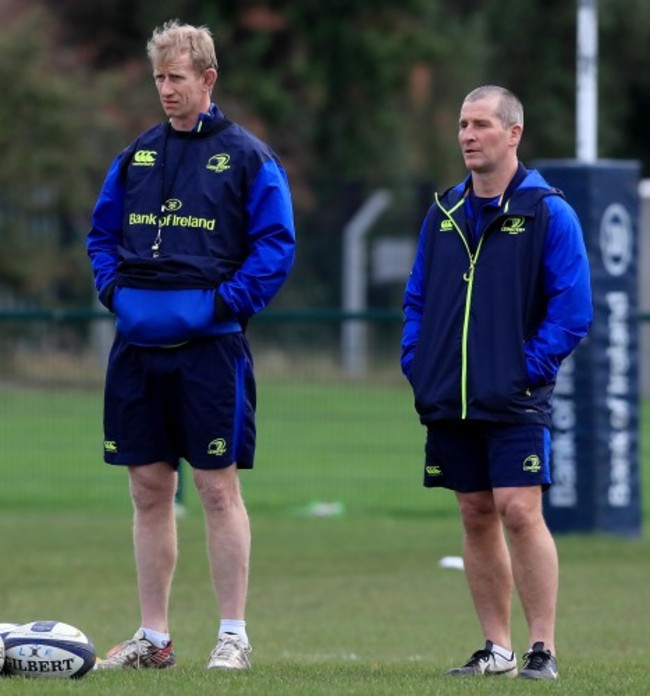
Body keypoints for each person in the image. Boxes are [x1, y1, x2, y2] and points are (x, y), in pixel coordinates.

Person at [87, 19, 295, 671]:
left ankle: (232, 634)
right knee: (149, 489)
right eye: (159, 78)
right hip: (137, 350)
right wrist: (114, 292)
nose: (166, 90)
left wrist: (221, 305)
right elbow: (100, 235)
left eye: (177, 77)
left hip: (211, 353)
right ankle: (154, 637)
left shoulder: (247, 156)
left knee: (215, 487)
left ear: (207, 78)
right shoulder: (137, 155)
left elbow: (276, 246)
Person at [401, 85, 592, 680]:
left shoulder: (547, 212)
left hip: (514, 397)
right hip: (449, 397)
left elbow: (572, 310)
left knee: (518, 510)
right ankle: (497, 649)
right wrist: (418, 361)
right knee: (474, 511)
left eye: (481, 123)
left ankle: (542, 648)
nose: (467, 135)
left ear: (513, 134)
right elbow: (416, 300)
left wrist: (525, 371)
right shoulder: (443, 214)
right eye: (462, 124)